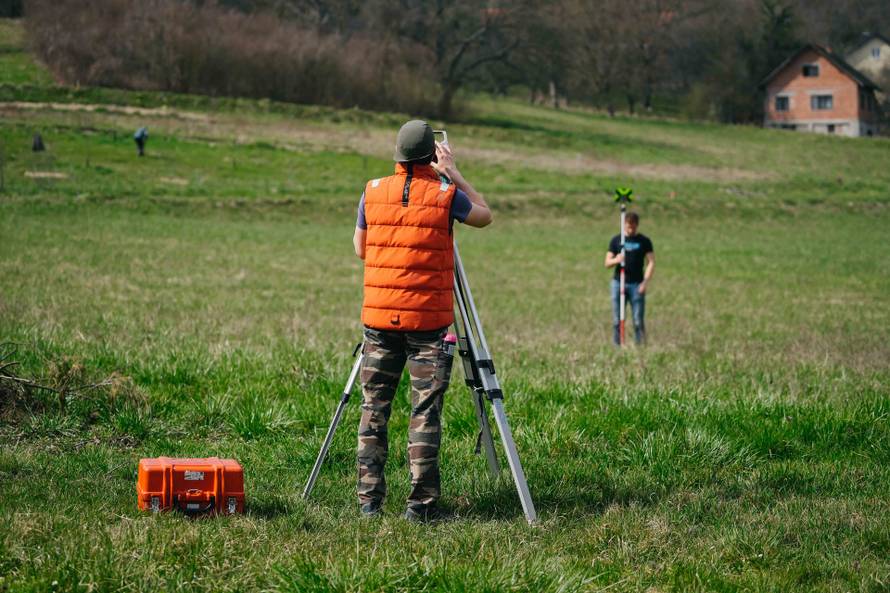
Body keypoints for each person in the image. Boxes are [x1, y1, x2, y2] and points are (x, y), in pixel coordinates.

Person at [352, 120, 492, 522]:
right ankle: (421, 506)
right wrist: (455, 173)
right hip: (428, 327)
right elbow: (485, 216)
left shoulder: (372, 191)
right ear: (432, 154)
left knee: (374, 409)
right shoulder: (447, 195)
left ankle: (368, 503)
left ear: (396, 155)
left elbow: (361, 249)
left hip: (379, 322)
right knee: (424, 412)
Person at [604, 212, 655, 345]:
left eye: (633, 226)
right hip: (618, 284)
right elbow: (607, 263)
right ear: (624, 225)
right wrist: (617, 259)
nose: (630, 228)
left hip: (637, 285)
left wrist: (645, 282)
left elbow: (651, 262)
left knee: (638, 320)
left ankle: (640, 347)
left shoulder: (644, 241)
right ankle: (617, 347)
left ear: (637, 225)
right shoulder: (617, 240)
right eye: (628, 226)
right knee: (617, 319)